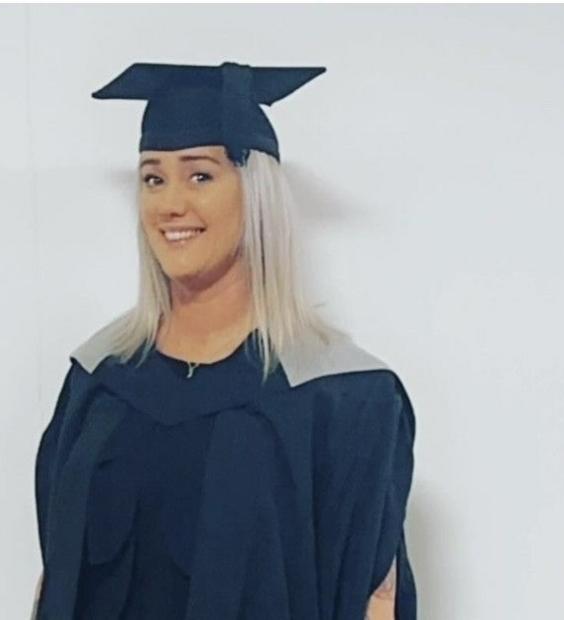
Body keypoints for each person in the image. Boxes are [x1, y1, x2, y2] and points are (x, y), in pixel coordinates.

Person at [32, 61, 417, 619]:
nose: (169, 205)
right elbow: (57, 584)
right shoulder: (98, 383)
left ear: (255, 192)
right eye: (153, 178)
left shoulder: (344, 398)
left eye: (201, 175)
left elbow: (374, 600)